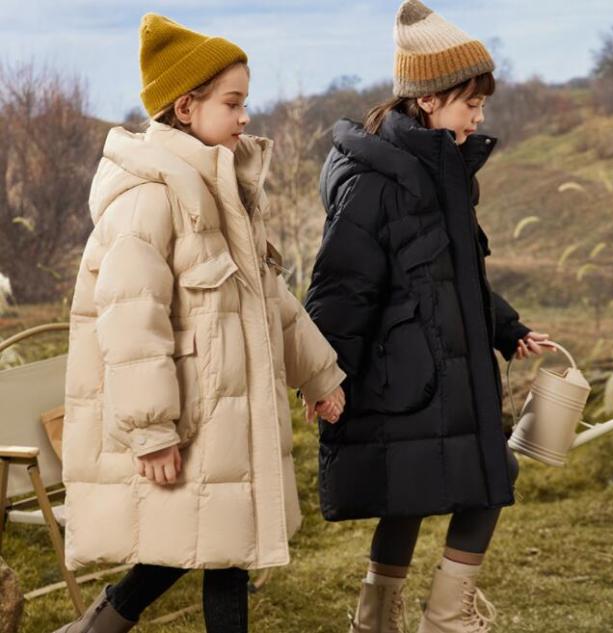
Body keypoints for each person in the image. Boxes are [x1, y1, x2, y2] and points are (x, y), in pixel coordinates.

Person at [55, 13, 345, 633]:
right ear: (186, 107)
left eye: (245, 104)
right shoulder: (149, 197)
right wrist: (151, 429)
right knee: (214, 546)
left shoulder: (224, 190)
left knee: (223, 547)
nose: (244, 118)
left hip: (225, 412)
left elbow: (268, 299)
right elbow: (131, 323)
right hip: (189, 415)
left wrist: (319, 375)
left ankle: (96, 627)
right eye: (232, 104)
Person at [304, 2, 555, 631]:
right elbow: (341, 288)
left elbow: (454, 272)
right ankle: (445, 617)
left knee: (412, 492)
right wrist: (322, 376)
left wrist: (508, 328)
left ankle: (375, 618)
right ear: (429, 98)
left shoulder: (444, 170)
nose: (479, 116)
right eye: (471, 102)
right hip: (404, 374)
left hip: (437, 368)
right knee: (484, 471)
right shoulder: (375, 181)